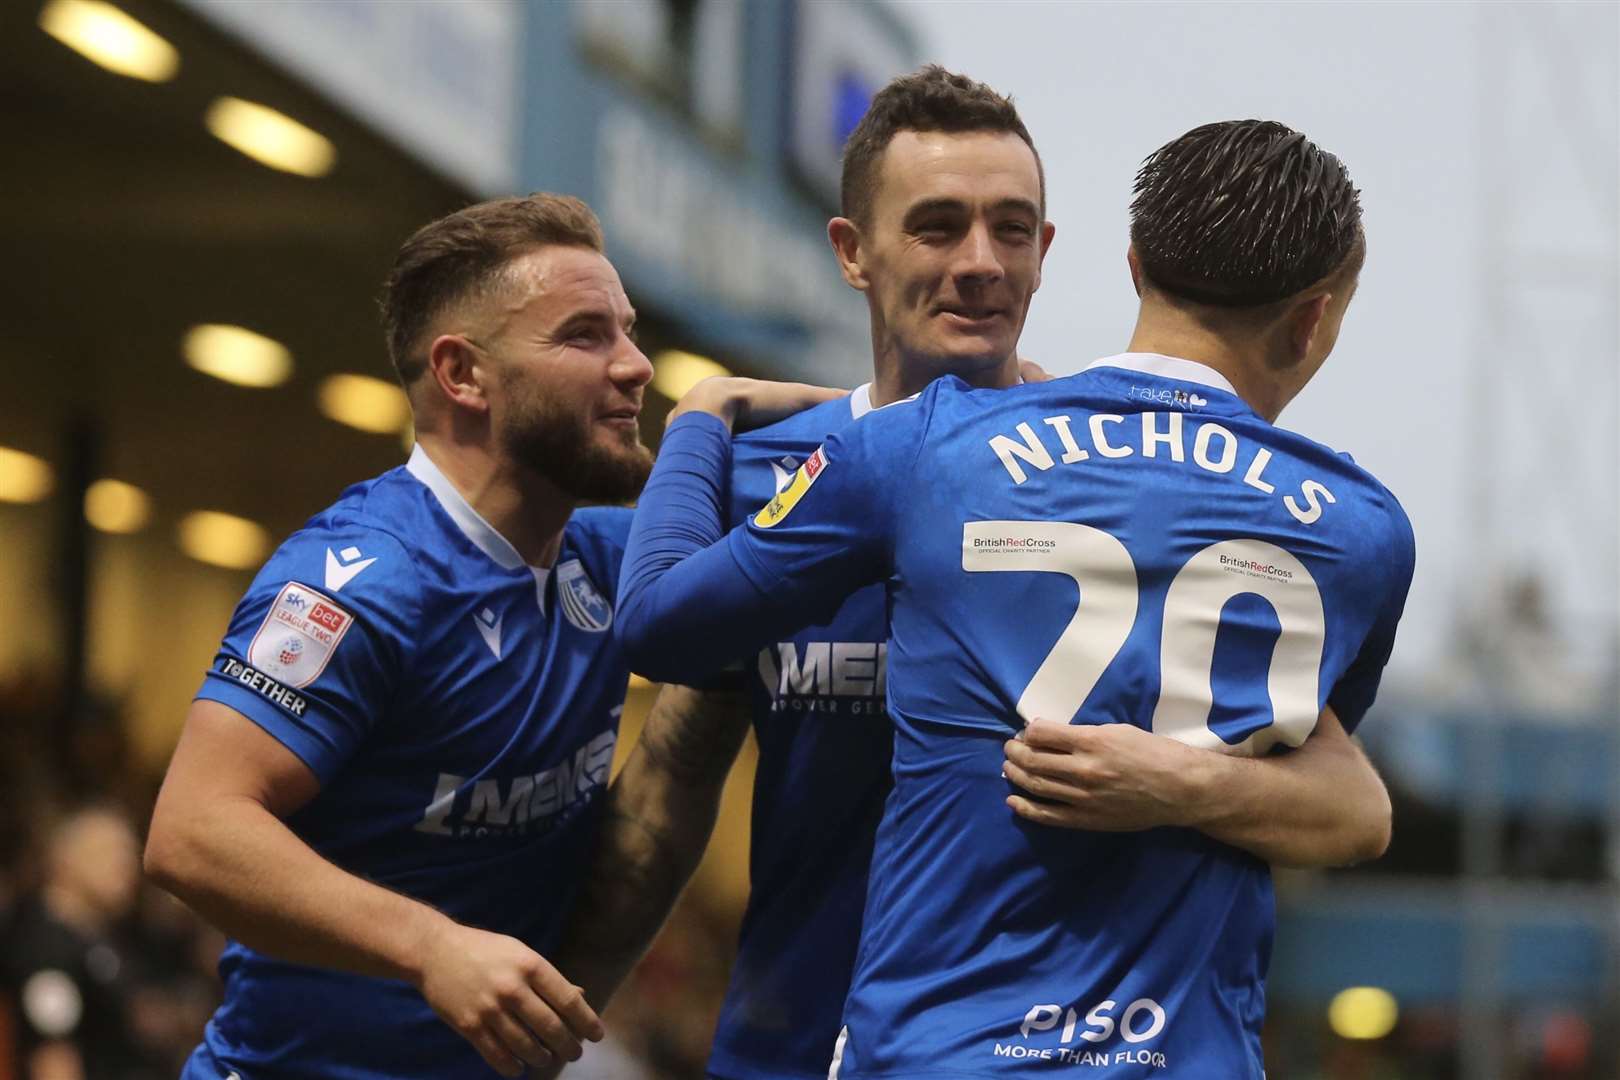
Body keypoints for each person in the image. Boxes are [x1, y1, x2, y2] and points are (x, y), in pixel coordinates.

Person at [568, 78, 1399, 1078]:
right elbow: (667, 792)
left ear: (1064, 253)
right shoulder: (766, 476)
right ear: (852, 251)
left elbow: (1348, 799)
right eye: (935, 227)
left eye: (1011, 229)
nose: (979, 264)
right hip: (799, 1044)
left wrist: (700, 408)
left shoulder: (951, 461)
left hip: (949, 1049)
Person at [144, 193, 742, 1079]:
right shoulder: (358, 580)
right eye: (585, 335)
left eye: (628, 330)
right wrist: (432, 947)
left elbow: (830, 477)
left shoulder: (615, 561)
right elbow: (191, 833)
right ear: (464, 376)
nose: (638, 366)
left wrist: (988, 400)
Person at [2, 805, 145, 1080]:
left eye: (129, 855)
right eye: (108, 853)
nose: (125, 868)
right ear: (65, 859)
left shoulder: (98, 937)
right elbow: (53, 1056)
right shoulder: (45, 944)